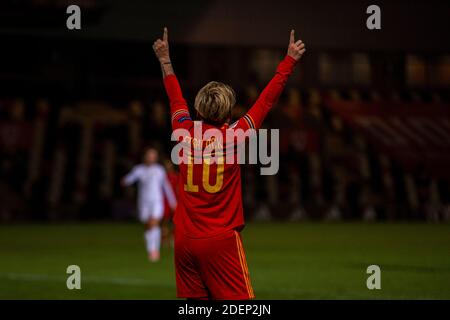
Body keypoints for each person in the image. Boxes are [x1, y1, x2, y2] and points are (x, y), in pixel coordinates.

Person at [153, 27, 305, 299]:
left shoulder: (183, 130)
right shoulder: (235, 136)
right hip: (219, 241)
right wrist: (289, 61)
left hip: (184, 240)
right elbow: (266, 101)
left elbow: (175, 97)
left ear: (198, 110)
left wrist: (165, 59)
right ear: (228, 113)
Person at [121, 147, 177, 262]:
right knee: (147, 226)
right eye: (149, 155)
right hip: (143, 202)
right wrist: (125, 181)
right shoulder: (139, 170)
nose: (151, 158)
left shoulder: (159, 170)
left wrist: (172, 201)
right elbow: (130, 178)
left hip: (157, 201)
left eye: (153, 156)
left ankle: (154, 250)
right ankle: (151, 248)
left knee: (154, 223)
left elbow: (166, 187)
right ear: (145, 157)